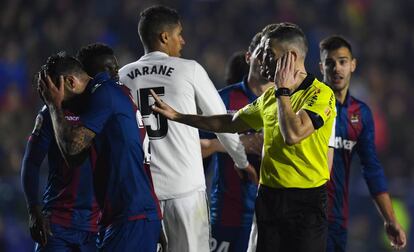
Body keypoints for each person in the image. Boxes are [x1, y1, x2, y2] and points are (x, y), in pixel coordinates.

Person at [151, 22, 336, 252]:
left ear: (291, 57)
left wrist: (283, 91)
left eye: (269, 54)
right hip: (269, 198)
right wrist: (180, 116)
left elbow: (294, 133)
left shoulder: (320, 94)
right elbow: (229, 122)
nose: (262, 60)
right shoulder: (272, 97)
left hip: (306, 203)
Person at [118, 5, 257, 252]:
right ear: (164, 37)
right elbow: (222, 123)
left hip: (141, 196)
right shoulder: (188, 69)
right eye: (178, 34)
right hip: (185, 192)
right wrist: (241, 161)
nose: (183, 40)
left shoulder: (122, 76)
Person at [37, 52, 162, 251]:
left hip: (130, 216)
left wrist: (54, 106)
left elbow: (71, 150)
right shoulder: (118, 92)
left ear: (70, 81)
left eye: (63, 99)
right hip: (134, 215)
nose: (68, 108)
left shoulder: (103, 94)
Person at [319, 35, 407, 251]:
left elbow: (372, 169)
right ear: (321, 67)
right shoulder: (305, 107)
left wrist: (390, 218)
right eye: (330, 63)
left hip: (338, 217)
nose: (336, 69)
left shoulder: (360, 114)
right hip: (303, 217)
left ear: (353, 65)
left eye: (342, 61)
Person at [198, 31, 271, 252]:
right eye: (262, 56)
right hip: (227, 214)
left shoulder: (288, 104)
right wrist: (236, 144)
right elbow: (195, 148)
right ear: (249, 57)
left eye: (273, 57)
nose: (268, 63)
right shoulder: (222, 99)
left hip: (271, 216)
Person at [21, 65, 99, 252]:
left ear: (68, 82)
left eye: (50, 87)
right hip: (57, 223)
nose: (47, 94)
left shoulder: (102, 105)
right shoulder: (49, 114)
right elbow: (31, 162)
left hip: (97, 225)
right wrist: (33, 208)